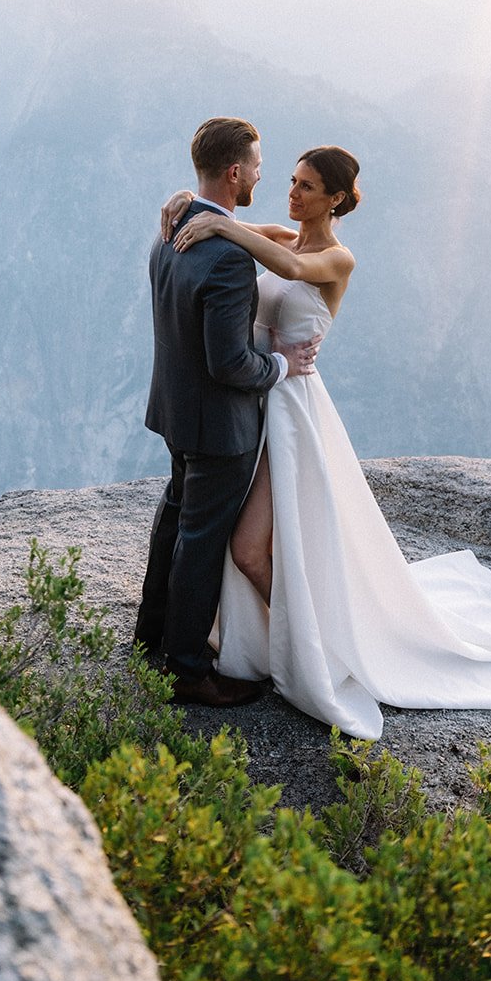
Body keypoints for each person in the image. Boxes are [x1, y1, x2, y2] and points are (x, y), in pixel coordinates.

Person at [162, 145, 491, 740]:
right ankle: (296, 632)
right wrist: (191, 204)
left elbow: (285, 269)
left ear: (336, 199)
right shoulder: (282, 236)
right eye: (291, 181)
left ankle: (328, 643)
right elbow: (246, 232)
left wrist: (217, 223)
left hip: (292, 410)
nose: (292, 194)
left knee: (246, 549)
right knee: (259, 545)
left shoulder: (337, 259)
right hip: (259, 402)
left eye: (308, 187)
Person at [134, 116, 319, 708]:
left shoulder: (174, 226)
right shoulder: (228, 261)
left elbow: (266, 242)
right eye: (260, 167)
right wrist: (284, 366)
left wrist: (205, 209)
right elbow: (231, 364)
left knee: (176, 517)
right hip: (220, 424)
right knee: (202, 539)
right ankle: (186, 670)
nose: (265, 176)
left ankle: (151, 635)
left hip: (175, 409)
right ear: (236, 172)